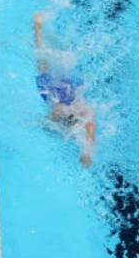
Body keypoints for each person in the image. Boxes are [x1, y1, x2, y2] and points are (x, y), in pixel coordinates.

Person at [33, 12, 96, 168]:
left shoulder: (61, 109)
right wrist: (86, 153)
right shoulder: (85, 111)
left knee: (43, 58)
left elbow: (50, 120)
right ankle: (42, 29)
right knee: (59, 56)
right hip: (71, 84)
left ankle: (37, 29)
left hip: (51, 89)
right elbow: (90, 135)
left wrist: (86, 153)